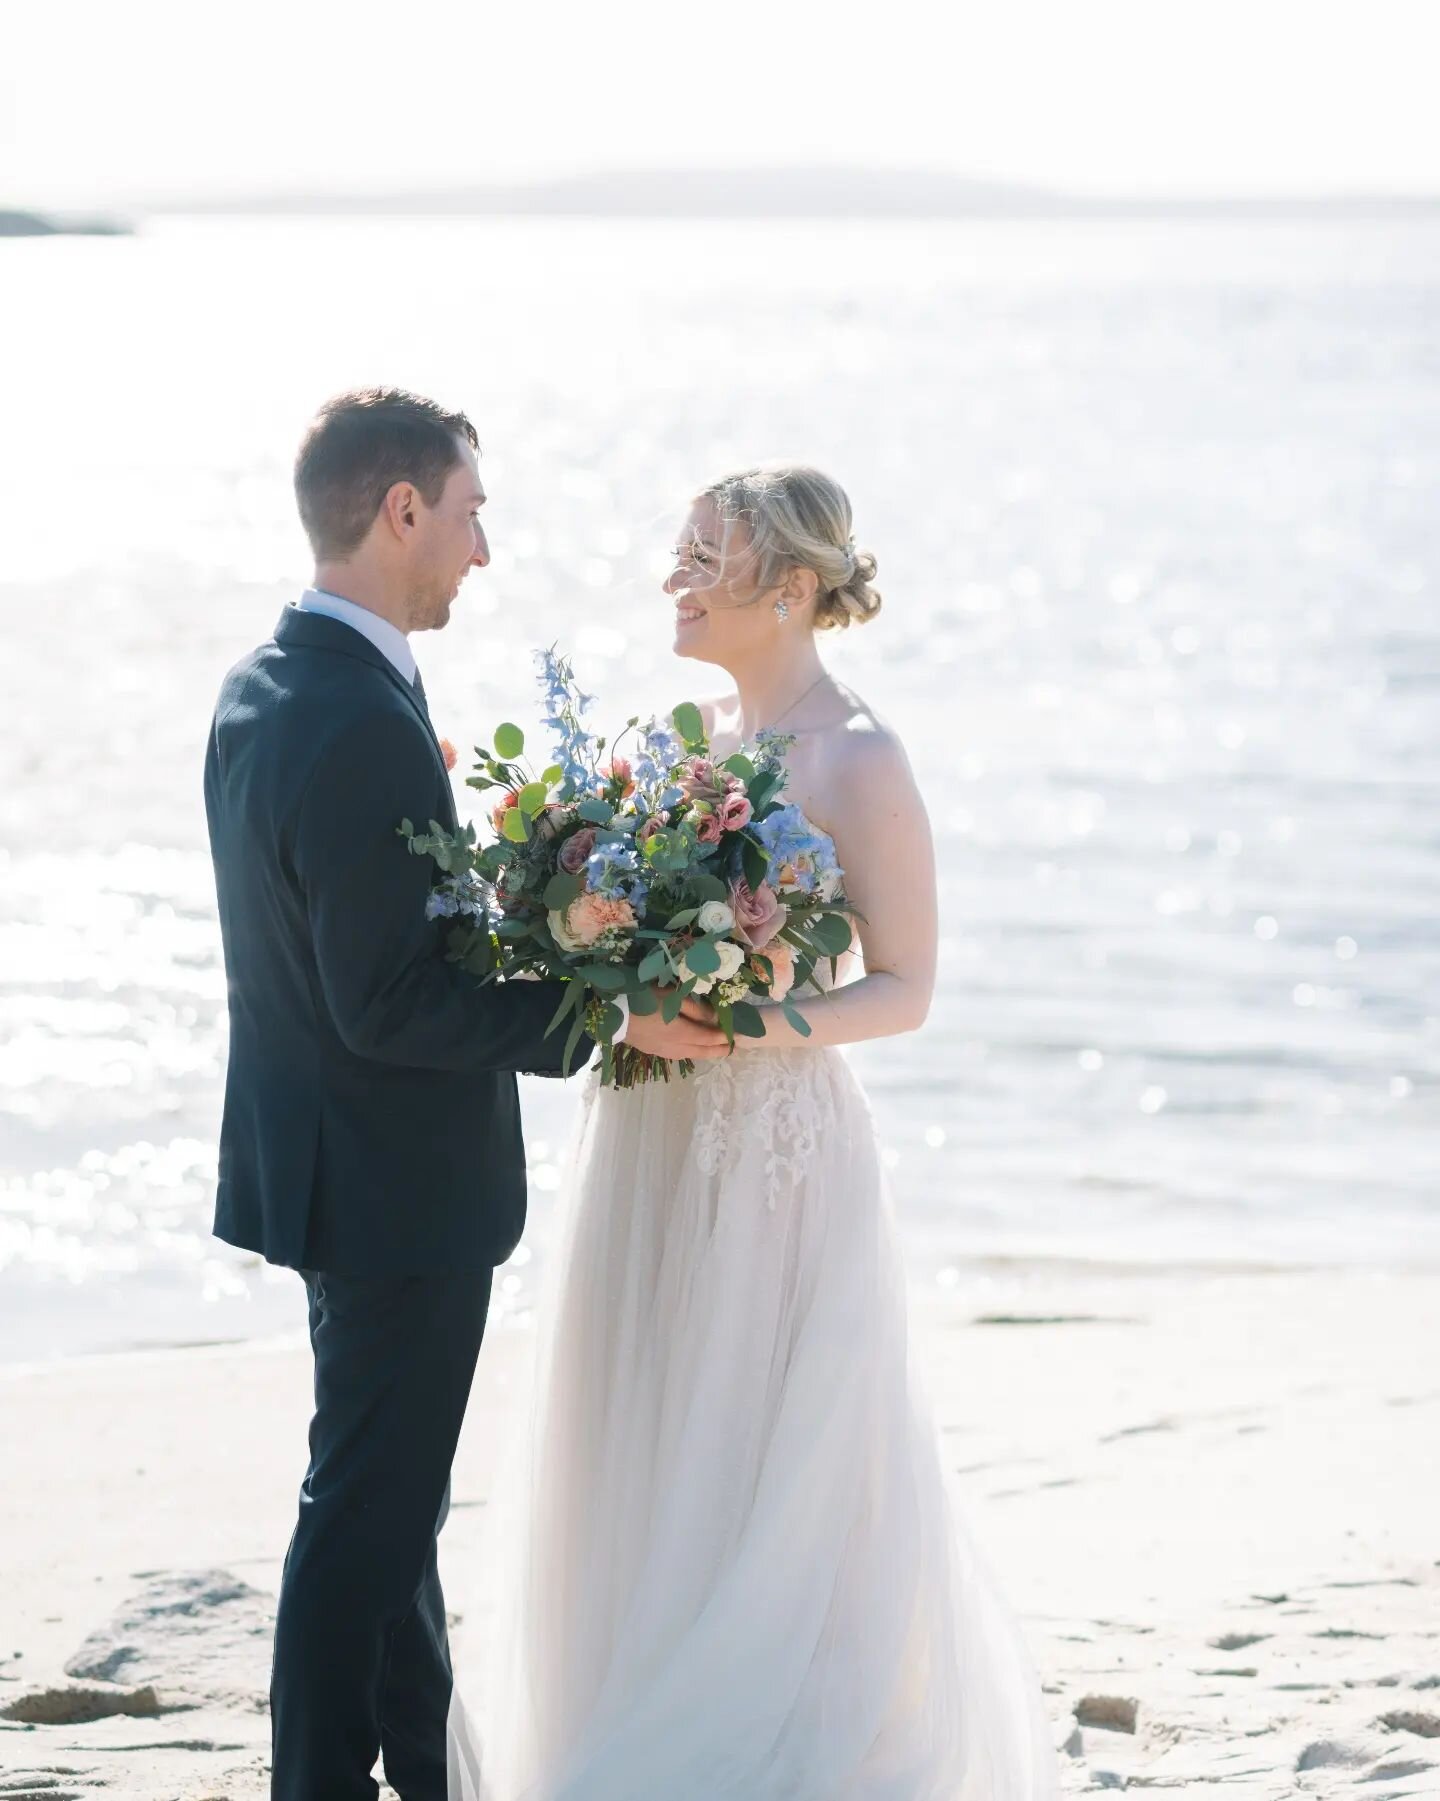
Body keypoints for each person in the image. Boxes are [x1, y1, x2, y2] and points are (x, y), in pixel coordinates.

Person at [450, 465, 1057, 1799]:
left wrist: (736, 1031)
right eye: (676, 552)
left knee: (770, 1444)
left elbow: (905, 987)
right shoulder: (683, 747)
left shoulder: (860, 757)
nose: (674, 578)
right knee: (646, 1424)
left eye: (702, 558)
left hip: (775, 1146)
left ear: (788, 589)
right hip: (648, 1135)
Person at [203, 387, 727, 1801]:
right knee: (365, 1513)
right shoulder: (359, 716)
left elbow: (341, 946)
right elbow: (388, 999)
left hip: (328, 1167)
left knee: (388, 1497)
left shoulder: (270, 684)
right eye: (473, 512)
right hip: (396, 1189)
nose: (483, 551)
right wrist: (604, 1004)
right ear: (404, 510)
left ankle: (422, 1770)